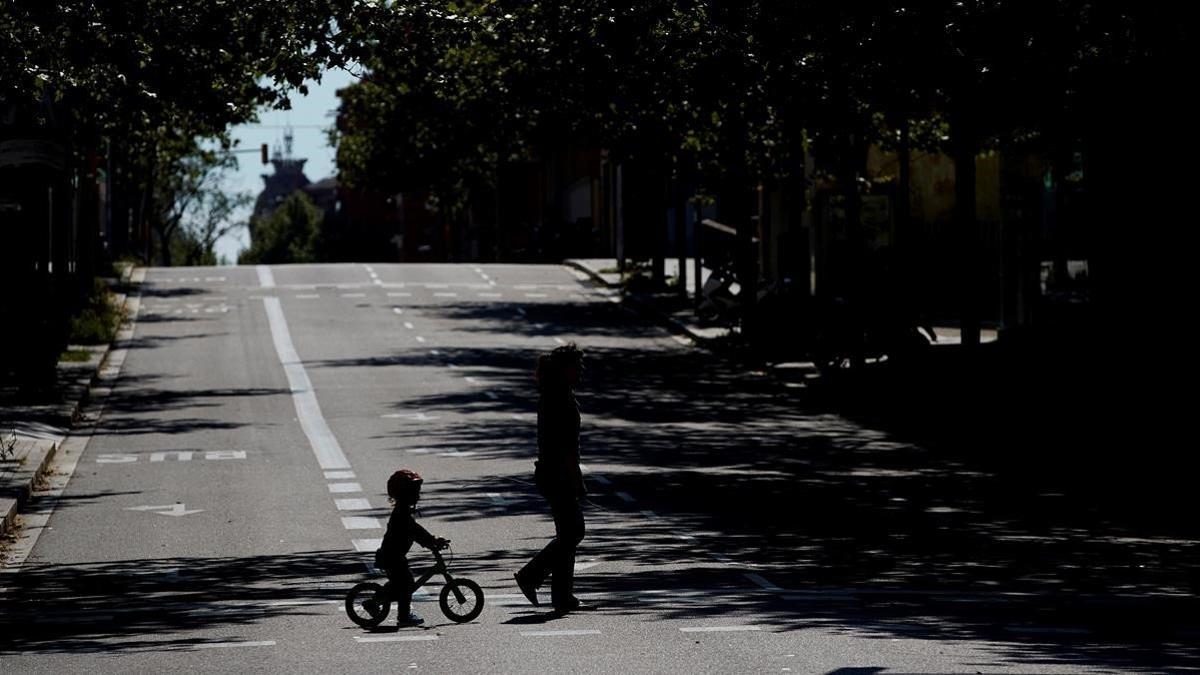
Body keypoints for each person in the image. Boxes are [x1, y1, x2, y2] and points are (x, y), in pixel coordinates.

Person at [514, 343, 592, 614]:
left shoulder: (552, 394)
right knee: (574, 532)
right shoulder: (561, 400)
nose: (581, 370)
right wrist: (577, 481)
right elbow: (567, 448)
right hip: (557, 474)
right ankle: (531, 575)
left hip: (548, 472)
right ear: (565, 369)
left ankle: (562, 596)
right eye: (577, 366)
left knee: (567, 534)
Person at [375, 469, 449, 626]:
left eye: (417, 491)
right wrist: (432, 541)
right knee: (406, 584)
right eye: (414, 492)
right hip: (392, 557)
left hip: (395, 556)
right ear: (403, 494)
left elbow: (416, 531)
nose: (418, 495)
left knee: (401, 584)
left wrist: (431, 541)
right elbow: (416, 532)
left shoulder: (404, 512)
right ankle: (402, 616)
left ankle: (383, 598)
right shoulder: (401, 515)